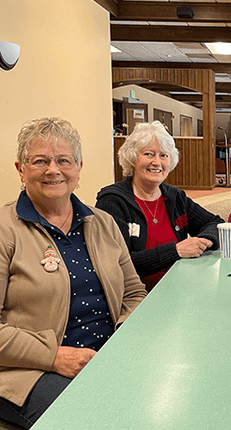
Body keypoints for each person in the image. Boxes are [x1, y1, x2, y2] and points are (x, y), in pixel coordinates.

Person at [0, 117, 147, 429]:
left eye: (63, 160)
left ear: (78, 168)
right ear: (20, 170)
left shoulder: (103, 222)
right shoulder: (4, 230)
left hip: (105, 356)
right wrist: (53, 357)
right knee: (96, 420)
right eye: (40, 160)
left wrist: (122, 339)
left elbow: (134, 293)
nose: (53, 170)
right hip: (27, 371)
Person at [95, 121, 224, 291]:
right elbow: (117, 264)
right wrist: (175, 251)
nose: (157, 162)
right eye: (149, 154)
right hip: (136, 296)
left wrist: (204, 241)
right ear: (133, 158)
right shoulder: (113, 201)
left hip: (178, 287)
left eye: (164, 155)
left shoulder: (174, 196)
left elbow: (215, 223)